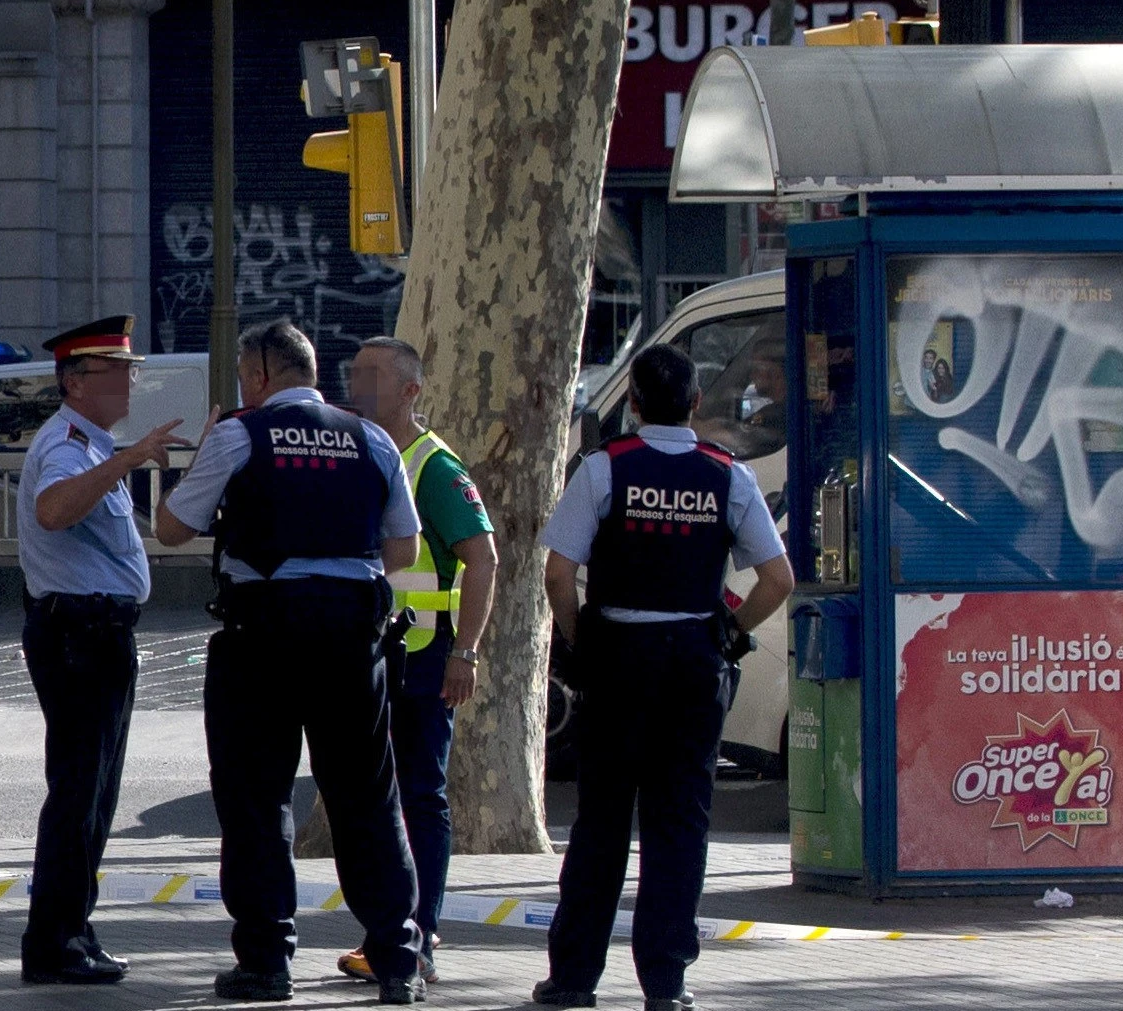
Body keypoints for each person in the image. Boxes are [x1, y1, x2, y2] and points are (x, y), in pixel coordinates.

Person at [158, 319, 428, 1005]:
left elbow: (171, 526)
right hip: (351, 635)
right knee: (368, 797)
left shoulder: (238, 435)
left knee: (256, 798)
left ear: (257, 376)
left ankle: (266, 960)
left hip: (263, 635)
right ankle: (398, 957)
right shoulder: (370, 437)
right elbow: (402, 547)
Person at [533, 343, 794, 1011]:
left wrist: (577, 637)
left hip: (619, 653)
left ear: (638, 404)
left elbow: (558, 572)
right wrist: (730, 634)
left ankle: (572, 980)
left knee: (601, 826)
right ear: (697, 403)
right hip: (692, 661)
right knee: (680, 827)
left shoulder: (604, 468)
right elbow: (777, 578)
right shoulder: (726, 474)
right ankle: (667, 983)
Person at [16, 315, 188, 986]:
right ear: (74, 381)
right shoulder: (67, 444)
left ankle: (72, 928)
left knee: (95, 794)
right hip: (78, 635)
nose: (128, 382)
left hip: (99, 635)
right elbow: (54, 510)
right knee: (79, 793)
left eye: (130, 370)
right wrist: (126, 458)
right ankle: (54, 940)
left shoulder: (90, 443)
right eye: (116, 371)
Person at [334, 336, 498, 987]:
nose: (358, 383)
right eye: (354, 372)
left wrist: (468, 649)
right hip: (366, 652)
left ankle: (419, 935)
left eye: (372, 374)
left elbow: (482, 558)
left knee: (420, 796)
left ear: (411, 390)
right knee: (374, 799)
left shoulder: (432, 466)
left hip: (426, 657)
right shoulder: (361, 451)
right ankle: (387, 933)